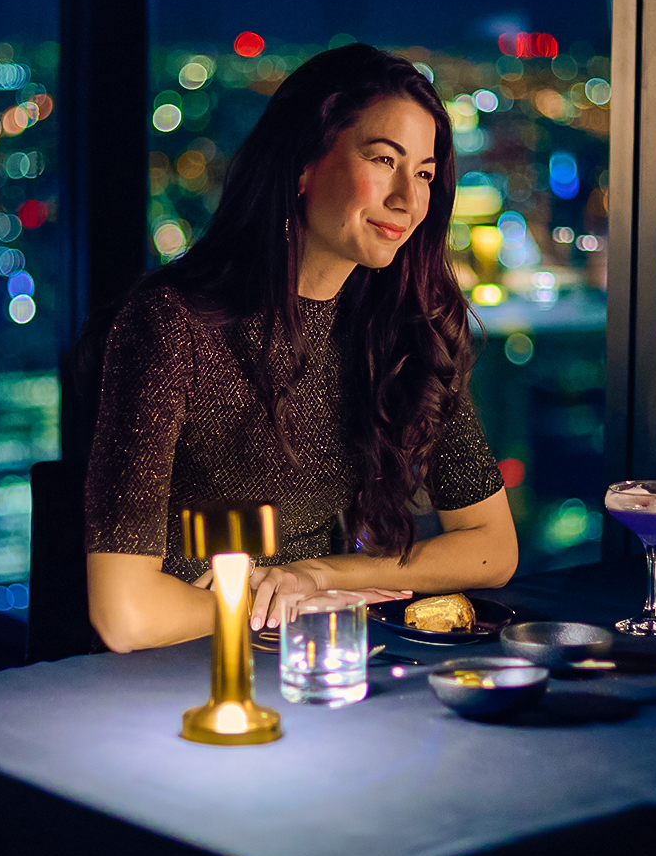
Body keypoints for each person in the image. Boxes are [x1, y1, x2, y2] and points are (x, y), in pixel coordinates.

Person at [83, 44, 518, 651]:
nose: (408, 199)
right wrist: (280, 602)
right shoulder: (172, 324)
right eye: (382, 159)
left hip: (315, 656)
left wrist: (317, 578)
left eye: (422, 173)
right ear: (304, 164)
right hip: (176, 678)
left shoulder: (396, 329)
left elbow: (490, 547)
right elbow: (125, 615)